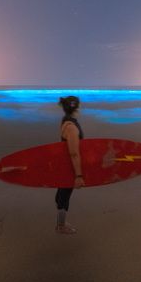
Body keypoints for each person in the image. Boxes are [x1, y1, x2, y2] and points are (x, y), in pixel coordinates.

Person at [55, 95, 85, 235]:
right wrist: (79, 175)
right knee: (65, 195)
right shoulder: (71, 127)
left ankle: (61, 223)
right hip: (69, 166)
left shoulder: (65, 121)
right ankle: (61, 226)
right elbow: (74, 153)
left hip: (64, 164)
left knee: (62, 194)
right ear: (77, 107)